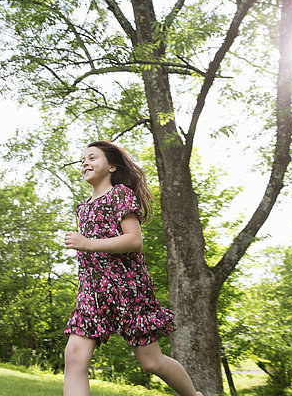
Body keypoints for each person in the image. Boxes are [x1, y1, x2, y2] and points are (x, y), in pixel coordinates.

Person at [63, 140, 203, 396]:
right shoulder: (83, 207)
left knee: (151, 362)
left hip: (127, 288)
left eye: (92, 158)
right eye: (83, 160)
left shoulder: (120, 195)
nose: (85, 163)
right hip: (92, 292)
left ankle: (194, 395)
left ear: (112, 166)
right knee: (73, 355)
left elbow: (134, 240)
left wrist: (88, 243)